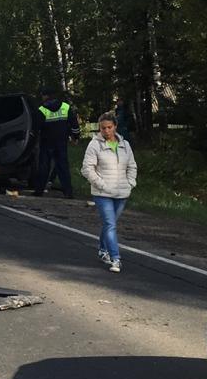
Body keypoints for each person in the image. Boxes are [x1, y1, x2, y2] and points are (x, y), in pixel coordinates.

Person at [81, 111, 137, 274]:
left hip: (121, 193)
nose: (106, 131)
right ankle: (115, 258)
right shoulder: (94, 145)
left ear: (115, 127)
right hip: (102, 193)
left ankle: (102, 250)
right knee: (110, 224)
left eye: (109, 127)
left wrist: (130, 183)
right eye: (103, 128)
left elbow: (132, 166)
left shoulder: (125, 145)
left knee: (109, 224)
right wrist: (101, 184)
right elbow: (87, 169)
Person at [33, 89, 79, 198]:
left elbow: (36, 128)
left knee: (44, 166)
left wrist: (35, 141)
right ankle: (68, 192)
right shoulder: (65, 107)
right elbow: (74, 124)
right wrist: (75, 137)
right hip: (61, 142)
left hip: (46, 142)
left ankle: (39, 191)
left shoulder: (42, 109)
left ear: (45, 96)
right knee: (63, 167)